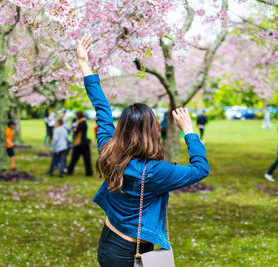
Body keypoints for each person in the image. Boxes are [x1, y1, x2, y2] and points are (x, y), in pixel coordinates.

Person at [76, 35, 210, 266]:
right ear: (152, 131)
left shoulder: (108, 151)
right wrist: (188, 131)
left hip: (108, 241)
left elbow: (102, 110)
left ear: (122, 129)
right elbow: (200, 169)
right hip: (131, 252)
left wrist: (84, 63)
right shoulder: (156, 171)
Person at [67, 111, 93, 176]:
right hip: (85, 143)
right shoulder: (84, 122)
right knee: (87, 159)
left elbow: (76, 132)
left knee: (74, 158)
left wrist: (73, 128)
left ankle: (70, 171)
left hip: (80, 143)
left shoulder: (81, 123)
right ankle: (89, 172)